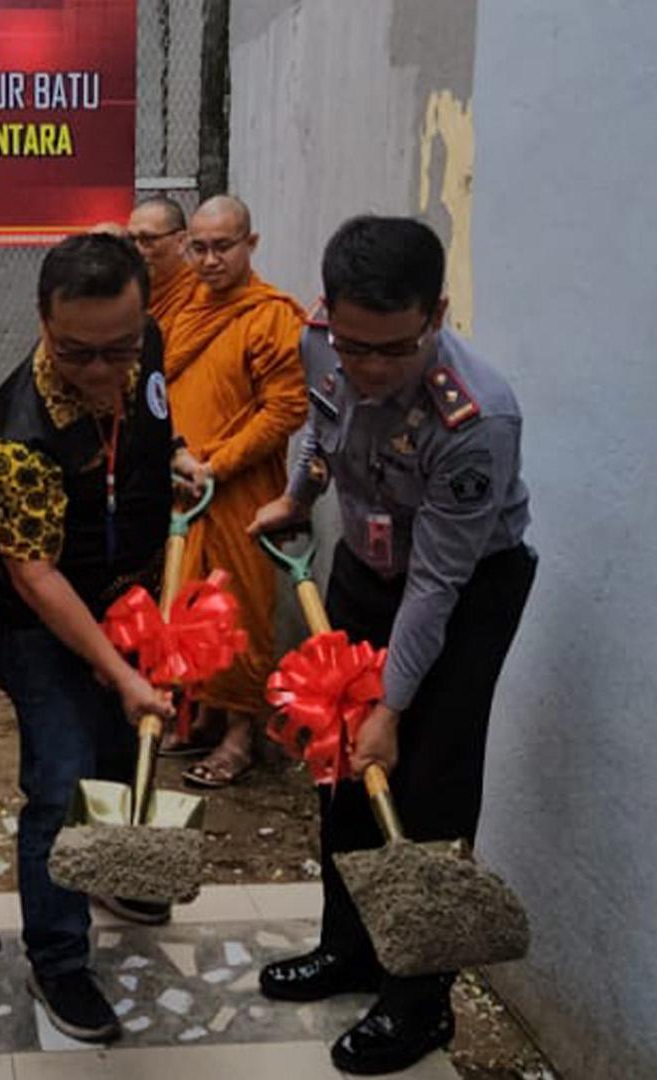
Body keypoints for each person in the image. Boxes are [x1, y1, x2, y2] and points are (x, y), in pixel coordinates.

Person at [251, 216, 536, 1075]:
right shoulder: (320, 346)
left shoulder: (476, 419)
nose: (368, 369)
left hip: (462, 595)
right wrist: (299, 496)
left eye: (394, 350)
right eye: (353, 345)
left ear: (438, 313)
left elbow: (437, 588)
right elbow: (320, 428)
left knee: (428, 787)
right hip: (363, 568)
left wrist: (392, 704)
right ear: (329, 312)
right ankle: (349, 947)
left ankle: (419, 1006)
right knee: (338, 763)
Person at [0, 233, 205, 1041]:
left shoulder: (145, 346)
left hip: (131, 597)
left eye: (121, 350)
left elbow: (151, 413)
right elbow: (37, 576)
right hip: (45, 622)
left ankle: (109, 877)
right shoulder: (15, 434)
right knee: (61, 779)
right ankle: (60, 961)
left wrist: (176, 453)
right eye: (80, 354)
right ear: (43, 322)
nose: (108, 373)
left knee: (115, 752)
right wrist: (118, 668)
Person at [159, 195, 310, 788]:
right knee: (188, 605)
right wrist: (177, 454)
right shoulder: (181, 309)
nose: (210, 259)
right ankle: (197, 715)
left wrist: (216, 463)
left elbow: (286, 410)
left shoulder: (271, 316)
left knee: (240, 612)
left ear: (251, 244)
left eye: (224, 246)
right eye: (198, 247)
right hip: (182, 483)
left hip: (239, 490)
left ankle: (240, 735)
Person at [126, 196, 196, 326]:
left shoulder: (199, 295)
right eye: (131, 239)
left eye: (147, 239)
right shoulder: (125, 294)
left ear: (181, 241)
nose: (137, 250)